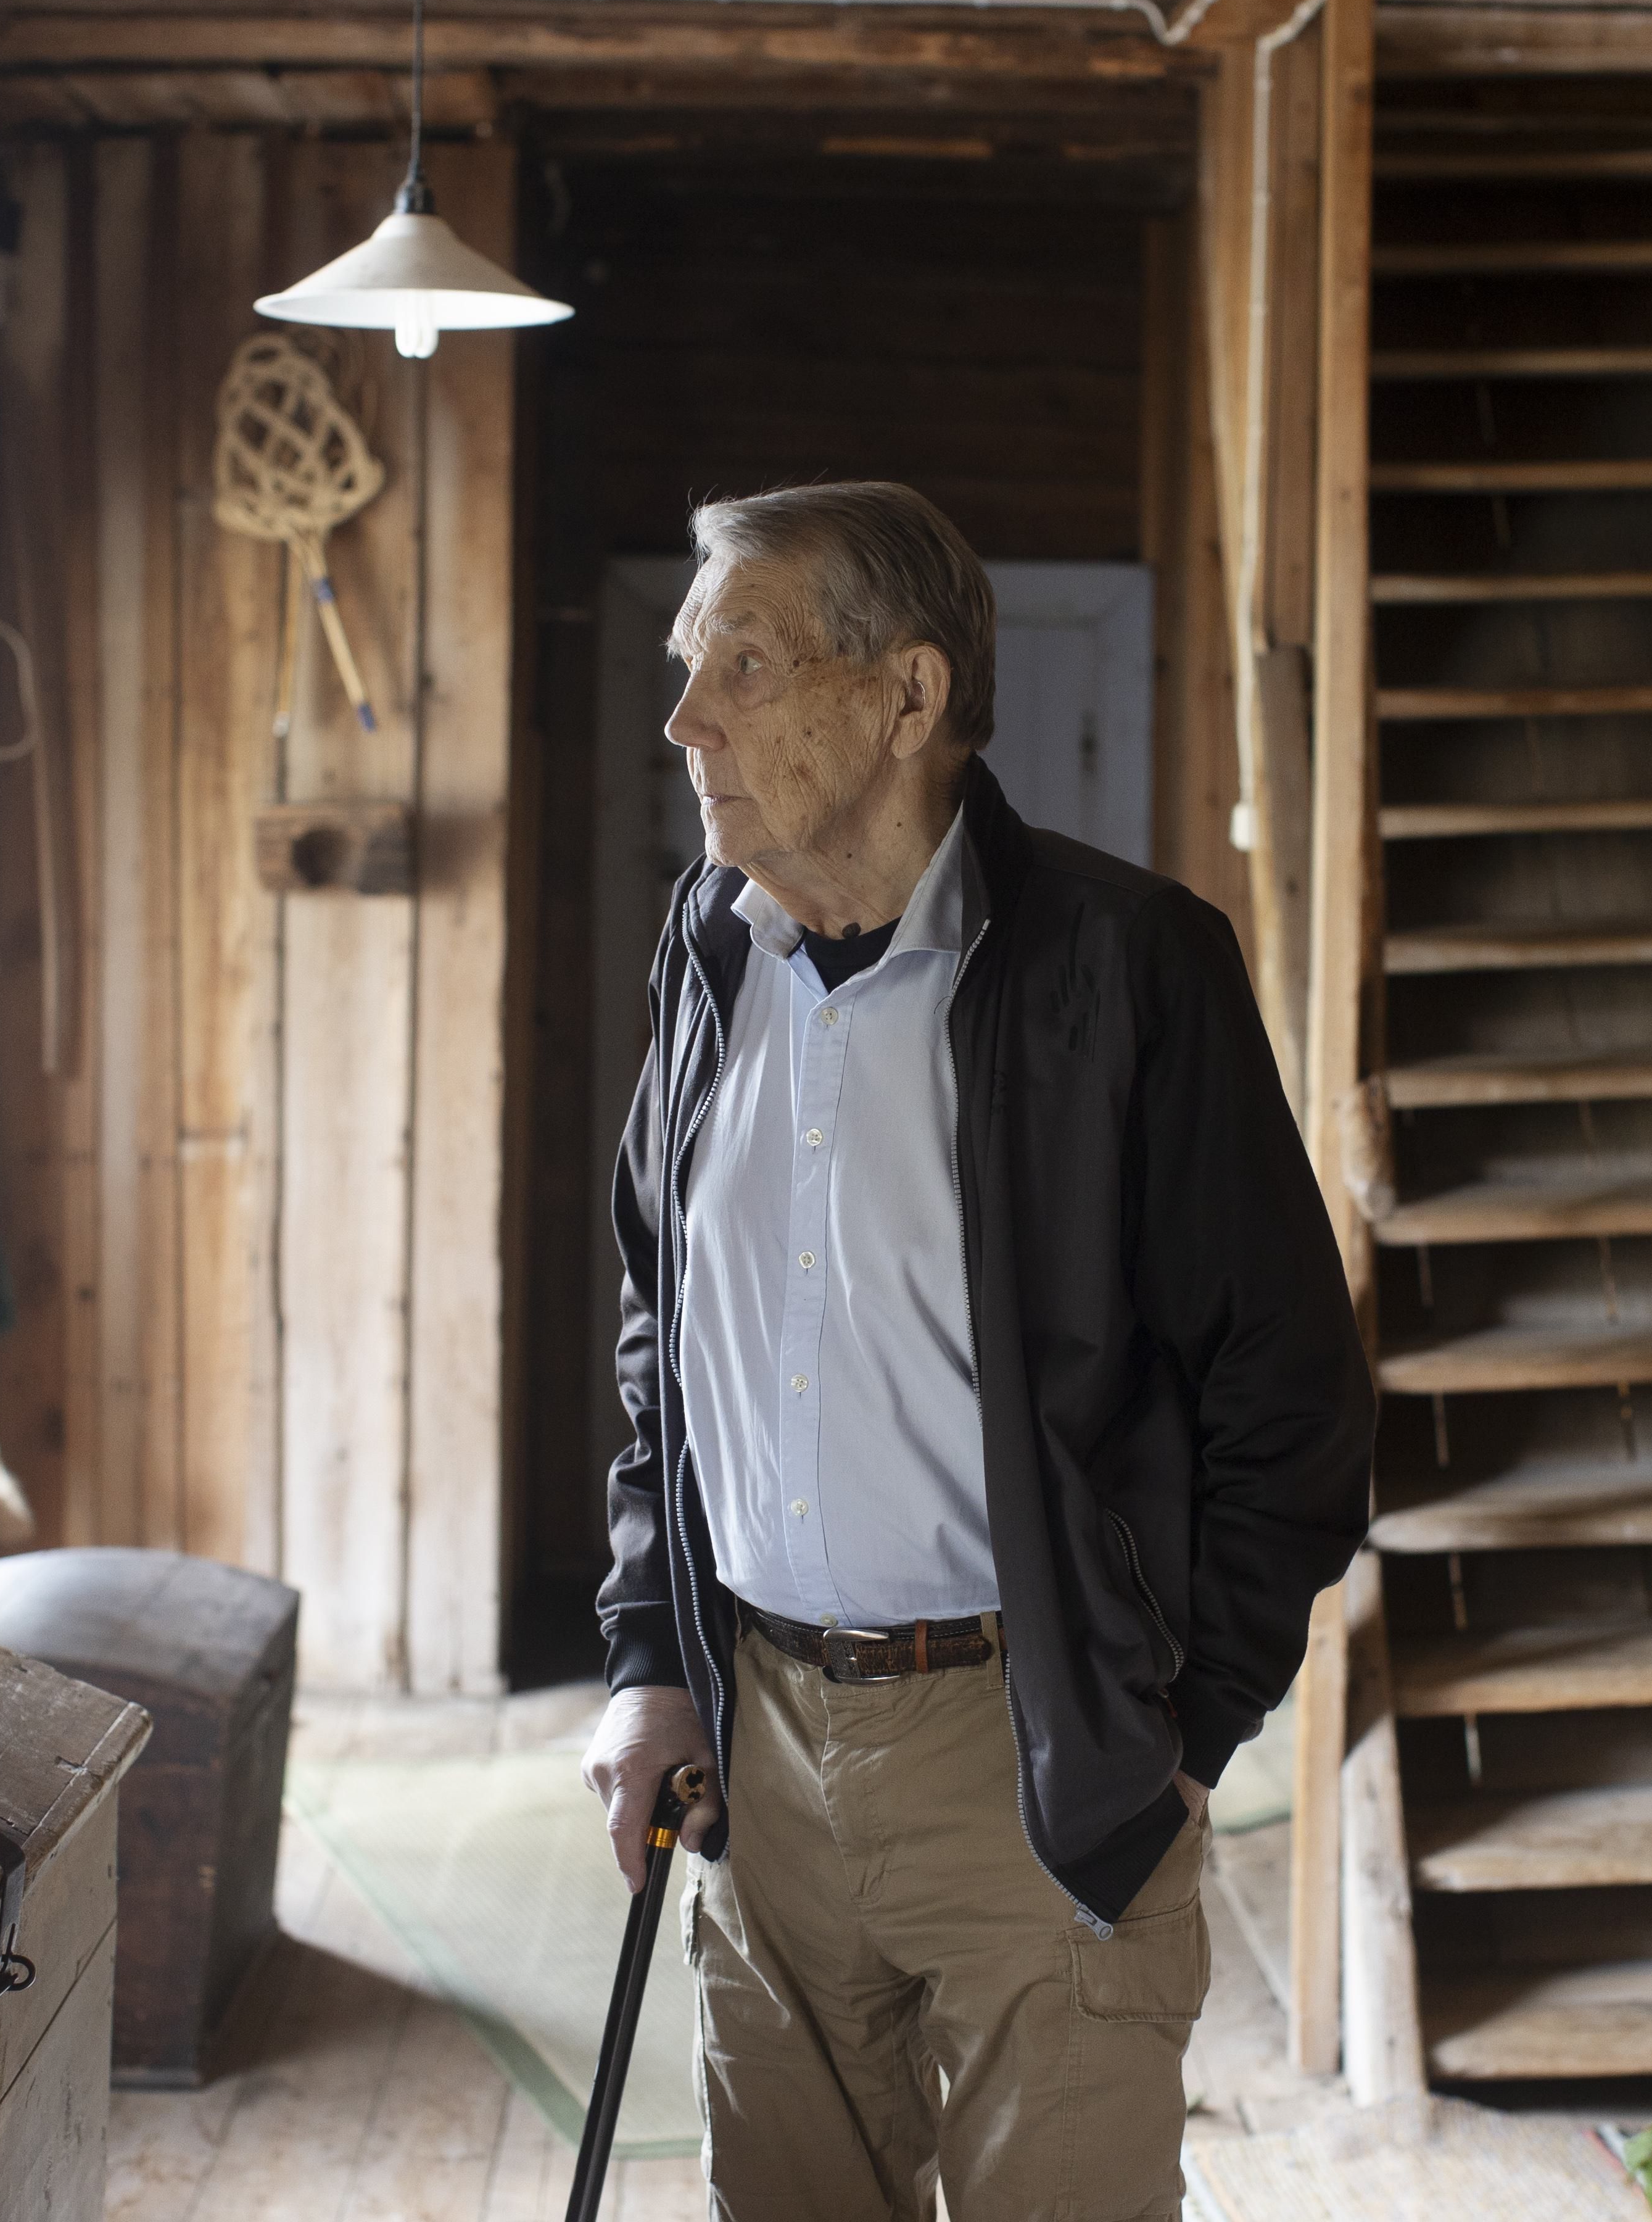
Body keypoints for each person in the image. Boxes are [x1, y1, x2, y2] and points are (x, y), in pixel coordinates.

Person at [580, 480, 1375, 2222]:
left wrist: (1184, 1730)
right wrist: (653, 1648)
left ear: (907, 698)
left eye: (743, 663)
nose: (685, 717)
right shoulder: (705, 952)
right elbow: (664, 1328)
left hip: (1038, 1741)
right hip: (759, 1743)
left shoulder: (1126, 965)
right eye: (684, 665)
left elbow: (1292, 1390)